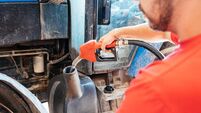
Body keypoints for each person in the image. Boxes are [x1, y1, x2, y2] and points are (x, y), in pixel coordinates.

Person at [99, 0, 201, 113]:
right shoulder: (192, 33)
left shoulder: (154, 89)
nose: (135, 2)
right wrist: (116, 33)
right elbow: (164, 33)